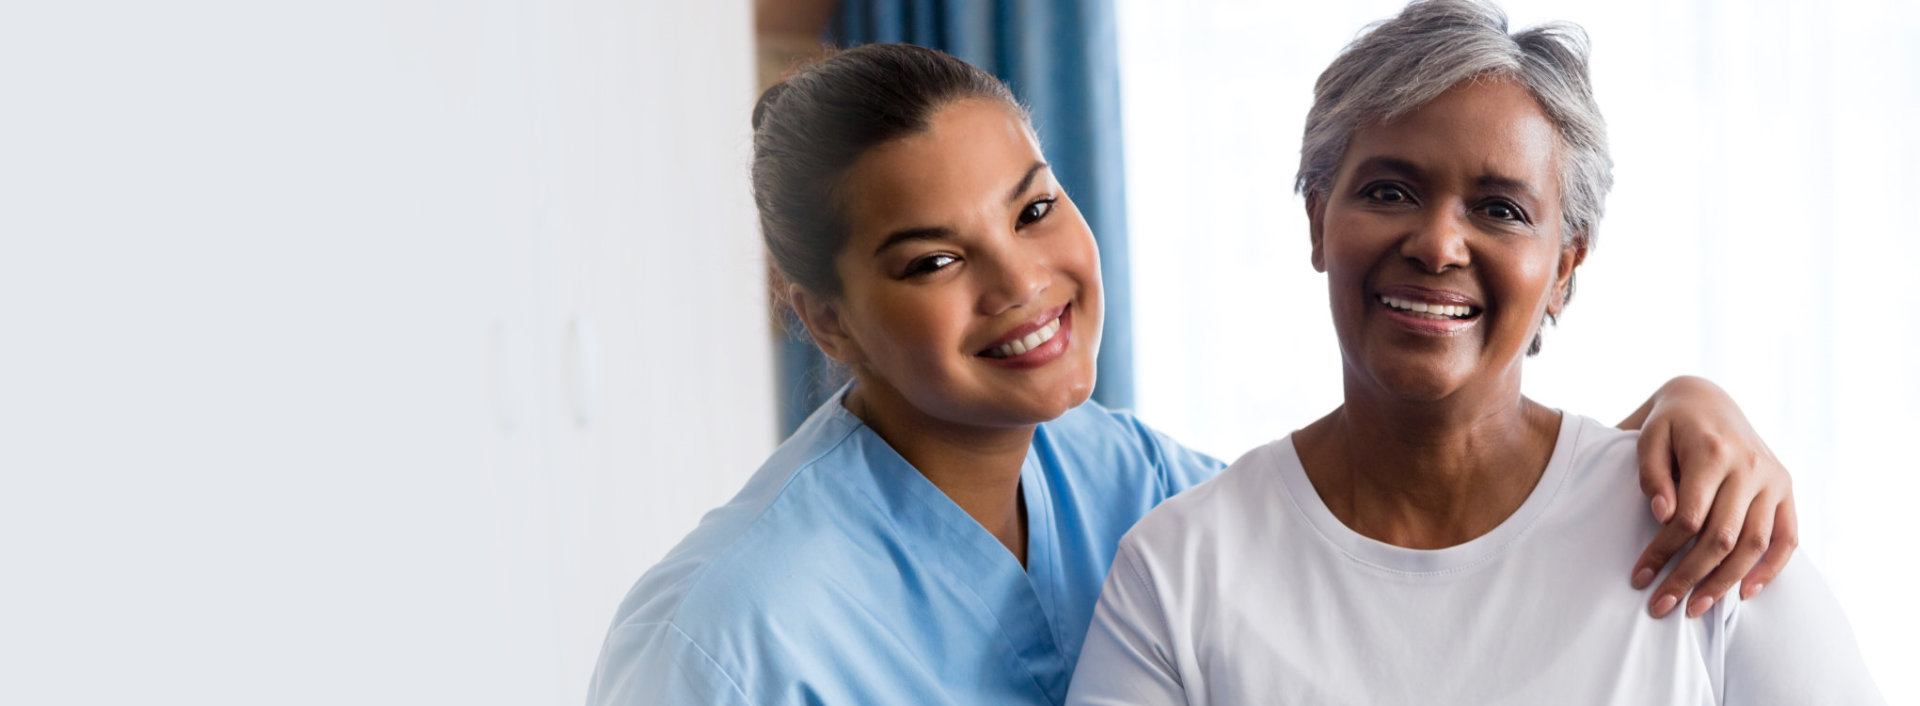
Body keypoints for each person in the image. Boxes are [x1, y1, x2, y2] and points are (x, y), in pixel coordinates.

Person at [589, 42, 1801, 706]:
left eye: (1035, 207)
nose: (1022, 285)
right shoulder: (725, 638)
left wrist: (1674, 418)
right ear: (824, 319)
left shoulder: (1129, 481)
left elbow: (1415, 525)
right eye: (935, 258)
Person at [1064, 2, 1882, 704]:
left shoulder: (1710, 536)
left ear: (1564, 268)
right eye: (1390, 192)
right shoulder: (1179, 572)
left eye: (1499, 209)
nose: (1437, 243)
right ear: (1318, 221)